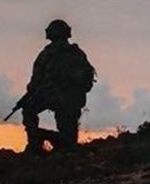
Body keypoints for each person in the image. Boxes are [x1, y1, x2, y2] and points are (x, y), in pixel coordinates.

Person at [17, 19, 96, 153]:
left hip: (52, 97)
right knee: (69, 142)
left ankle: (36, 143)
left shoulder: (46, 55)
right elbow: (88, 78)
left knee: (28, 110)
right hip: (74, 100)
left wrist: (30, 95)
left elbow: (34, 83)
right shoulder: (78, 53)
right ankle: (53, 143)